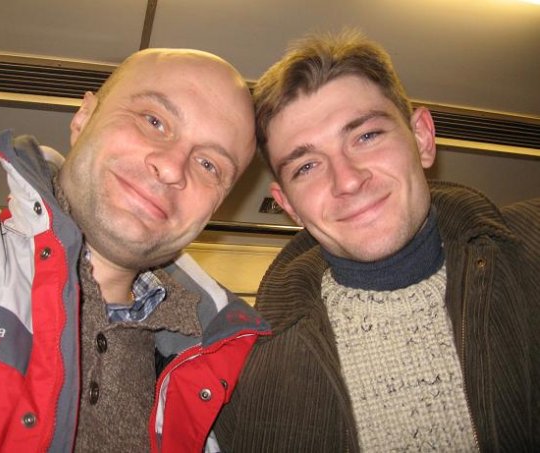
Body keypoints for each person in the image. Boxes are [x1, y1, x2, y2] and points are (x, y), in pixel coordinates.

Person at [215, 30, 539, 451]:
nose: (347, 180)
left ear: (422, 138)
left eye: (366, 136)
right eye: (306, 166)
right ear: (289, 205)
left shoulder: (531, 255)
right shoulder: (249, 381)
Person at [0, 48, 270, 452]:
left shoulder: (219, 386)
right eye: (153, 121)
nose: (171, 168)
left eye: (209, 165)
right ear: (84, 118)